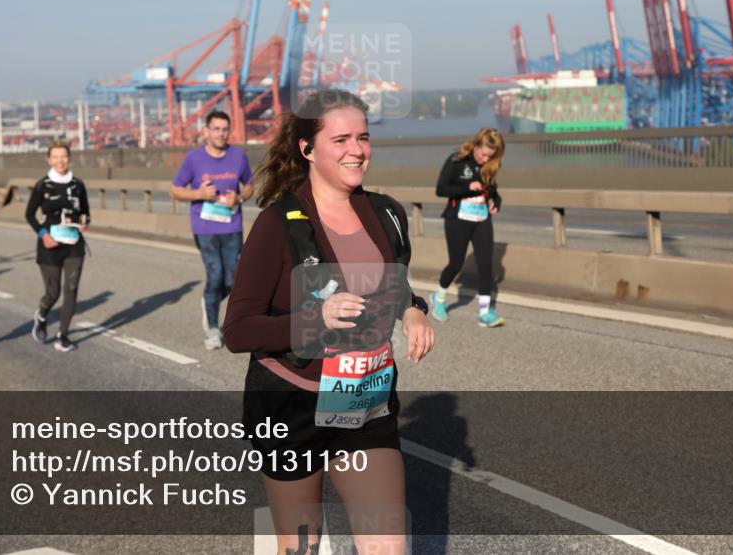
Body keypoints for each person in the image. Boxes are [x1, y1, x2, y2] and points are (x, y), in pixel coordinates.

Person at [223, 90, 434, 554]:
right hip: (290, 402)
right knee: (301, 547)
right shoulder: (278, 224)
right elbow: (237, 330)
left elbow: (394, 287)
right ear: (308, 149)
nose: (356, 150)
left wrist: (415, 311)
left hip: (364, 398)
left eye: (363, 137)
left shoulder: (387, 213)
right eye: (340, 139)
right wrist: (313, 319)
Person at [170, 110, 254, 350]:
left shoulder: (238, 156)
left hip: (232, 225)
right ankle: (213, 330)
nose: (221, 133)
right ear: (206, 131)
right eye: (216, 129)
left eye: (225, 129)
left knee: (233, 279)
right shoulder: (193, 159)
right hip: (204, 227)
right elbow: (175, 190)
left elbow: (250, 185)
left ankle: (210, 301)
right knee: (215, 274)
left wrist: (238, 198)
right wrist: (199, 194)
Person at [430, 127, 506, 327]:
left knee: (486, 264)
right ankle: (438, 298)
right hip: (458, 220)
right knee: (455, 263)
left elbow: (494, 193)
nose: (484, 159)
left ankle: (484, 312)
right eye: (482, 154)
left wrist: (495, 203)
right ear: (476, 145)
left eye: (490, 156)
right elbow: (441, 189)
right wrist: (466, 188)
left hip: (482, 220)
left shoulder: (489, 167)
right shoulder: (457, 160)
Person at [26, 140, 90, 352]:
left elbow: (86, 212)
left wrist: (84, 223)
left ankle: (62, 336)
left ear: (69, 159)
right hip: (50, 244)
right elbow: (29, 214)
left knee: (71, 289)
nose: (60, 161)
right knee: (52, 293)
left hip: (74, 244)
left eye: (63, 156)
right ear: (49, 159)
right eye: (55, 157)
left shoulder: (78, 185)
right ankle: (42, 315)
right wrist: (43, 234)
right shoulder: (43, 185)